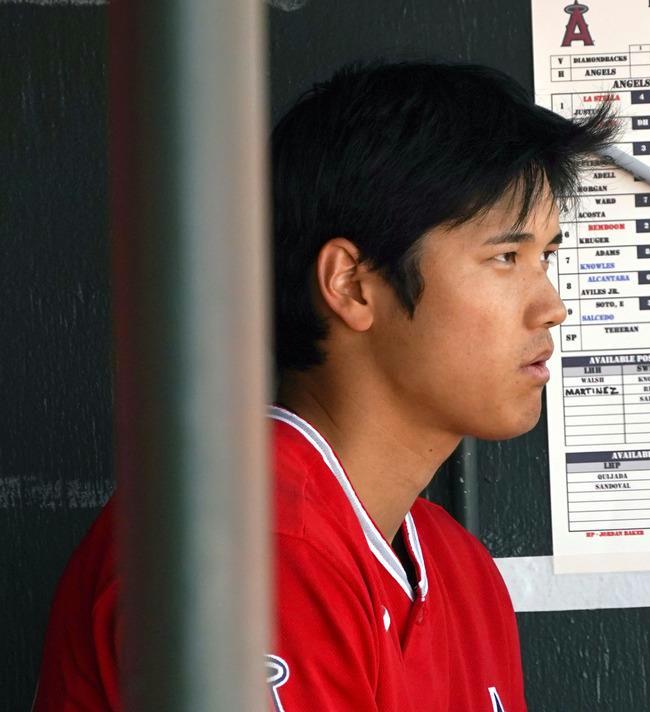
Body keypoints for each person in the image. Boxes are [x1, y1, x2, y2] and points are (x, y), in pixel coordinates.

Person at [33, 61, 614, 710]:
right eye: (506, 257)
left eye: (546, 257)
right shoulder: (249, 547)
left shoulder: (463, 572)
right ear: (351, 285)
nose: (552, 307)